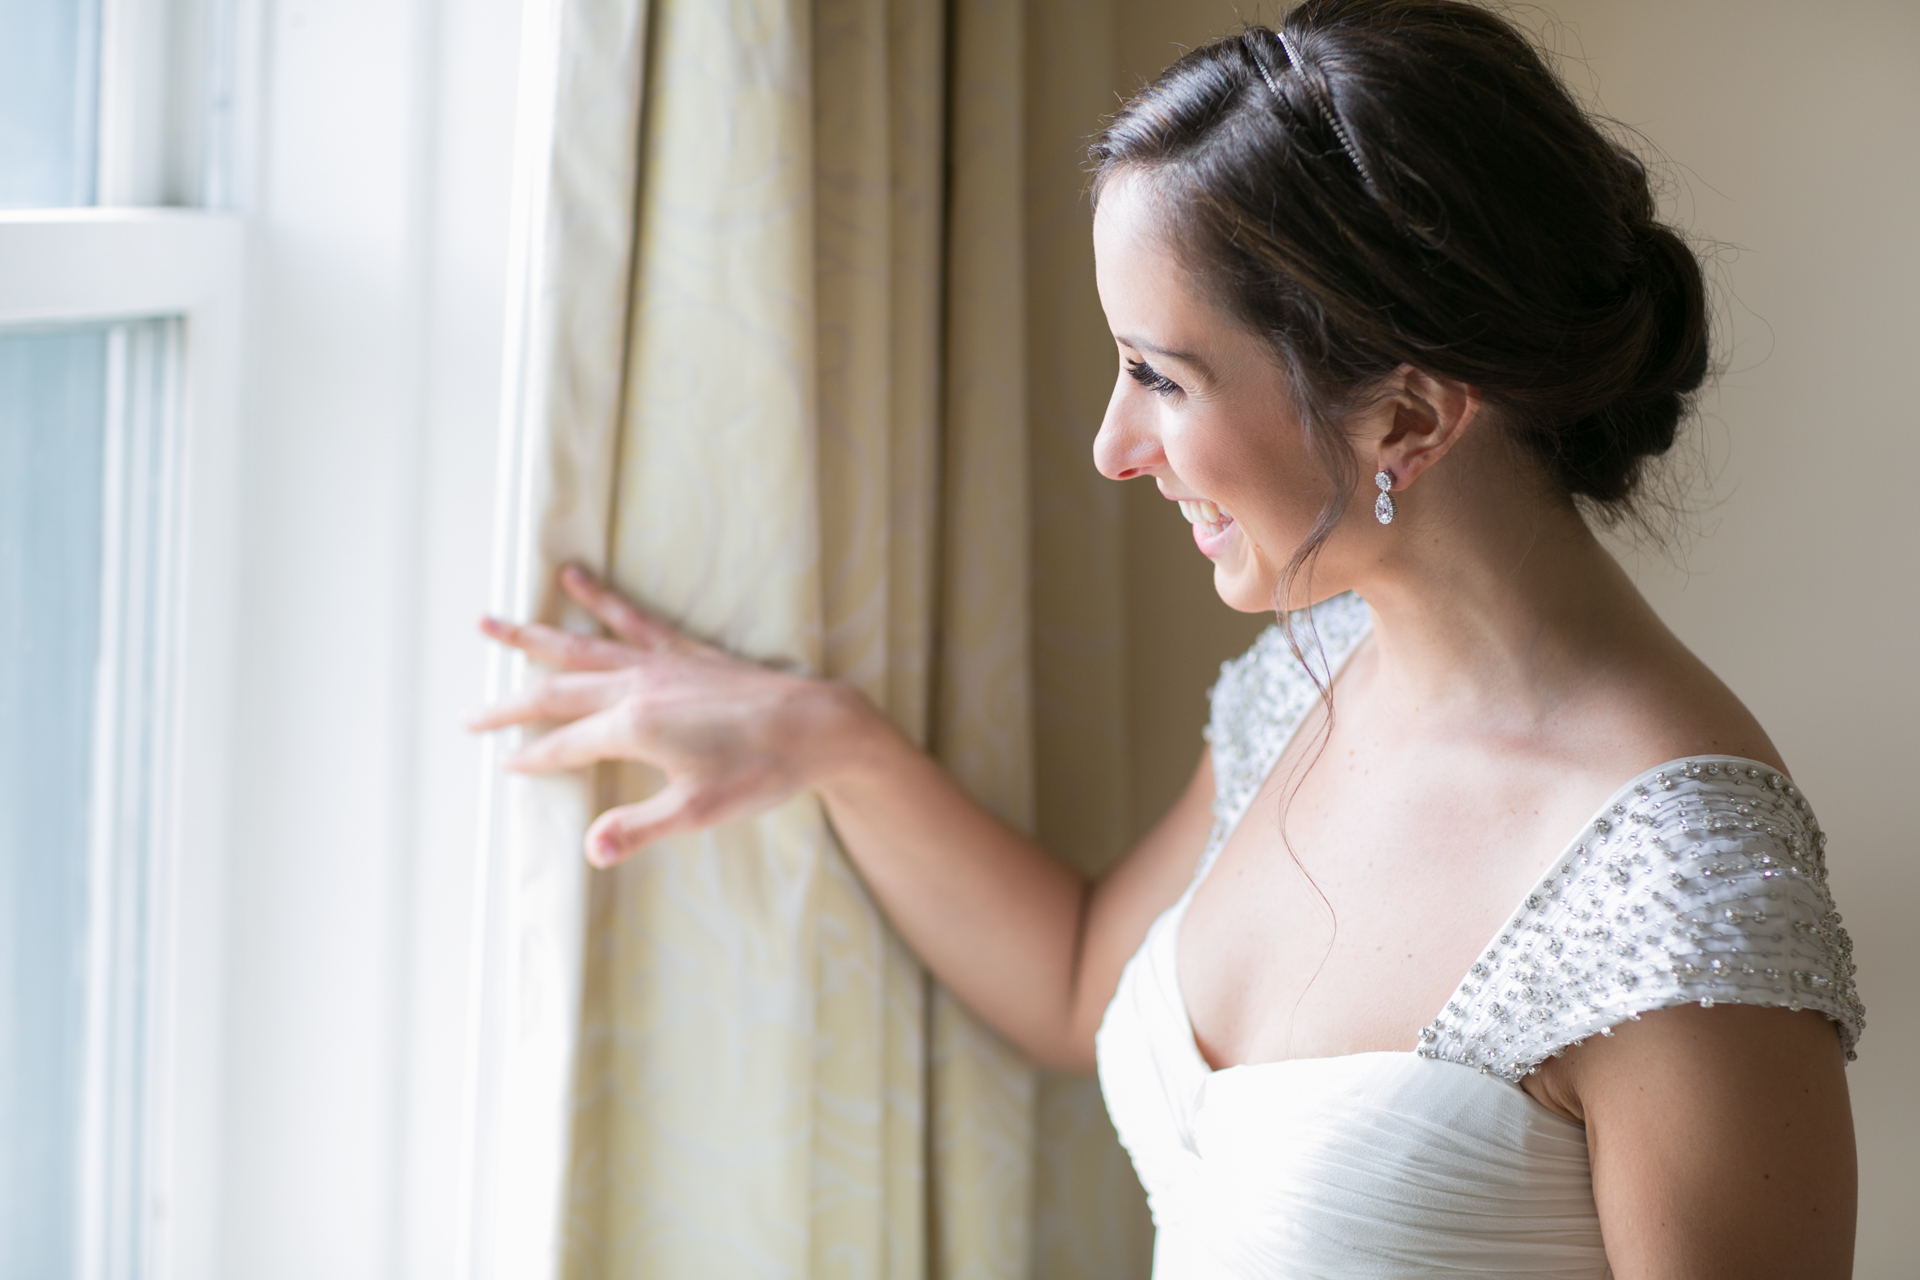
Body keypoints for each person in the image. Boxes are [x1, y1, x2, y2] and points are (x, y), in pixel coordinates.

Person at [471, 1, 1863, 1274]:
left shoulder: (1678, 898)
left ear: (1411, 417)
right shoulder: (1307, 685)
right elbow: (1086, 983)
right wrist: (827, 743)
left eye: (1162, 377)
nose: (1113, 446)